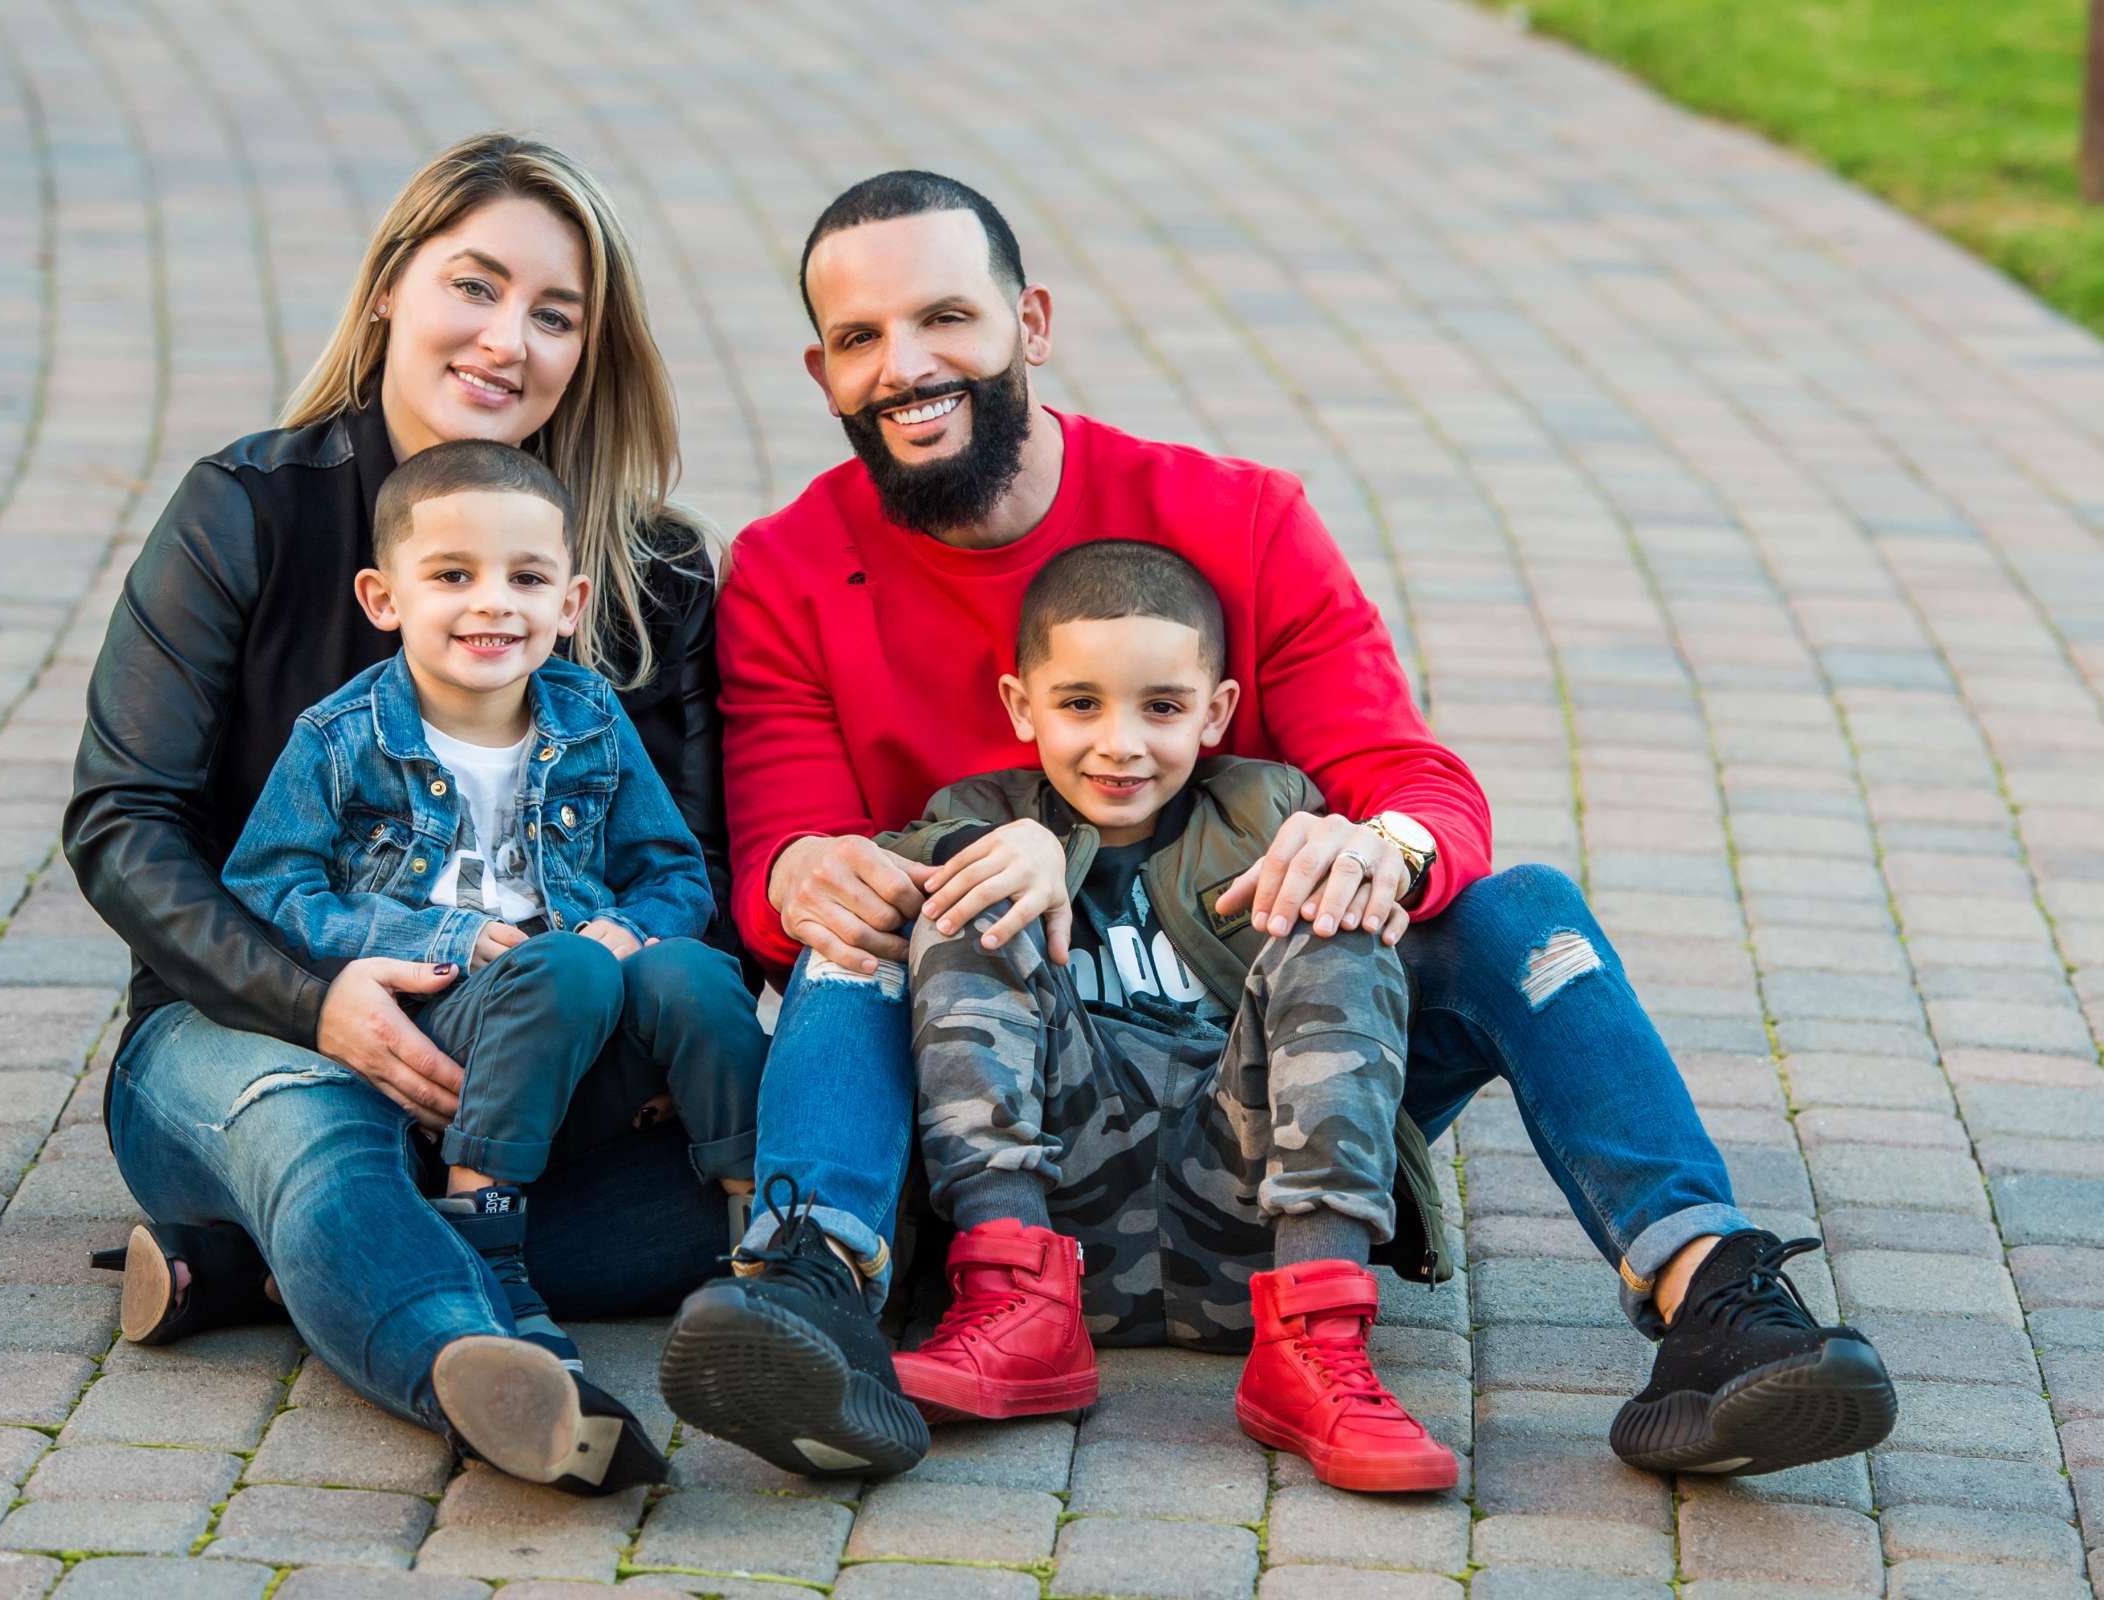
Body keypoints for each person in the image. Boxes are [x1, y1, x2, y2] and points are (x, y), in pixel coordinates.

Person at [662, 169, 1897, 1485]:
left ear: (1029, 320)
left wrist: (1386, 849)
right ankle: (818, 1291)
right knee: (854, 919)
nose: (905, 366)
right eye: (861, 339)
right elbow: (780, 866)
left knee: (1519, 908)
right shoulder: (792, 569)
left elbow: (1420, 784)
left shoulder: (1237, 520)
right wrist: (805, 872)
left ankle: (1710, 1299)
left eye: (944, 319)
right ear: (821, 369)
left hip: (1272, 1088)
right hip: (998, 1108)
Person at [64, 133, 740, 1495]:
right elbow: (122, 822)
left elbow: (695, 863)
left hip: (542, 1068)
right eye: (475, 287)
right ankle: (481, 1372)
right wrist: (317, 1000)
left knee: (716, 1198)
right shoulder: (247, 511)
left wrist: (629, 973)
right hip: (242, 1028)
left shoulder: (645, 571)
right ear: (389, 290)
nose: (509, 340)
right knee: (322, 1136)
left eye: (557, 314)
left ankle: (255, 1266)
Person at [215, 439, 765, 1486]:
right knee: (562, 972)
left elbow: (673, 872)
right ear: (384, 597)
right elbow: (270, 889)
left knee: (690, 973)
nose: (492, 605)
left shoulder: (590, 718)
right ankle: (491, 1245)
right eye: (453, 576)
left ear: (571, 600)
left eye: (526, 578)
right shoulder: (342, 738)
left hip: (585, 1001)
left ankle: (761, 1241)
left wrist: (633, 928)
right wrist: (435, 937)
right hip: (445, 1023)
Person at [884, 539, 1456, 1494]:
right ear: (1021, 708)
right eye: (1079, 705)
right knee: (964, 895)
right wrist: (1002, 846)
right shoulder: (971, 809)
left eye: (1162, 707)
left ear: (1216, 710)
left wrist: (1347, 855)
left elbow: (1358, 891)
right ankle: (1011, 1306)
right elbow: (909, 869)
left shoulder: (1268, 809)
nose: (1121, 744)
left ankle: (1317, 1344)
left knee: (1339, 913)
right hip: (1064, 1209)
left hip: (1248, 1214)